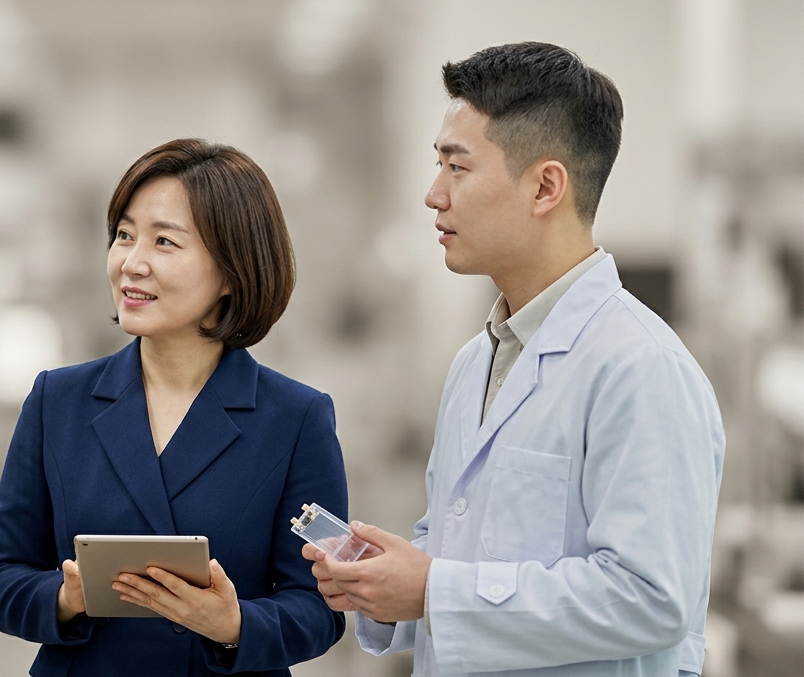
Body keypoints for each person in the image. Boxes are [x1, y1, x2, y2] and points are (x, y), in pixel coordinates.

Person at [303, 42, 725, 674]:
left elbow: (652, 597)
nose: (433, 195)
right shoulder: (476, 363)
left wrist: (433, 589)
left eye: (458, 168)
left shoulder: (640, 368)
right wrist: (388, 587)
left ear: (545, 186)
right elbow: (462, 557)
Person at [0, 139, 349, 676]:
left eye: (164, 243)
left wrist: (234, 625)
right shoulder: (55, 402)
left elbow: (320, 605)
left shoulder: (297, 419)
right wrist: (67, 597)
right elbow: (4, 576)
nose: (132, 263)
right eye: (124, 236)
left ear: (231, 270)